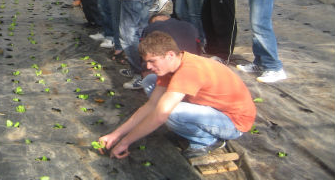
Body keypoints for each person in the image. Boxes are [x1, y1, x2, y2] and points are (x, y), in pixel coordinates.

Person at [99, 31, 256, 160]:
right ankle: (194, 128)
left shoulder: (189, 70)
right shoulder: (172, 66)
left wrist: (125, 142)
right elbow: (151, 105)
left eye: (152, 61)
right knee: (150, 81)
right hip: (211, 108)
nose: (148, 66)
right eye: (146, 62)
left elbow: (160, 114)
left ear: (170, 55)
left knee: (169, 112)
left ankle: (207, 141)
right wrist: (115, 135)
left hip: (233, 122)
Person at [123, 14, 200, 91]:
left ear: (154, 21)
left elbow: (145, 52)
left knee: (149, 76)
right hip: (193, 66)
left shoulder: (151, 27)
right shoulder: (190, 26)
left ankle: (139, 78)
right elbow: (199, 47)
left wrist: (143, 71)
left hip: (170, 70)